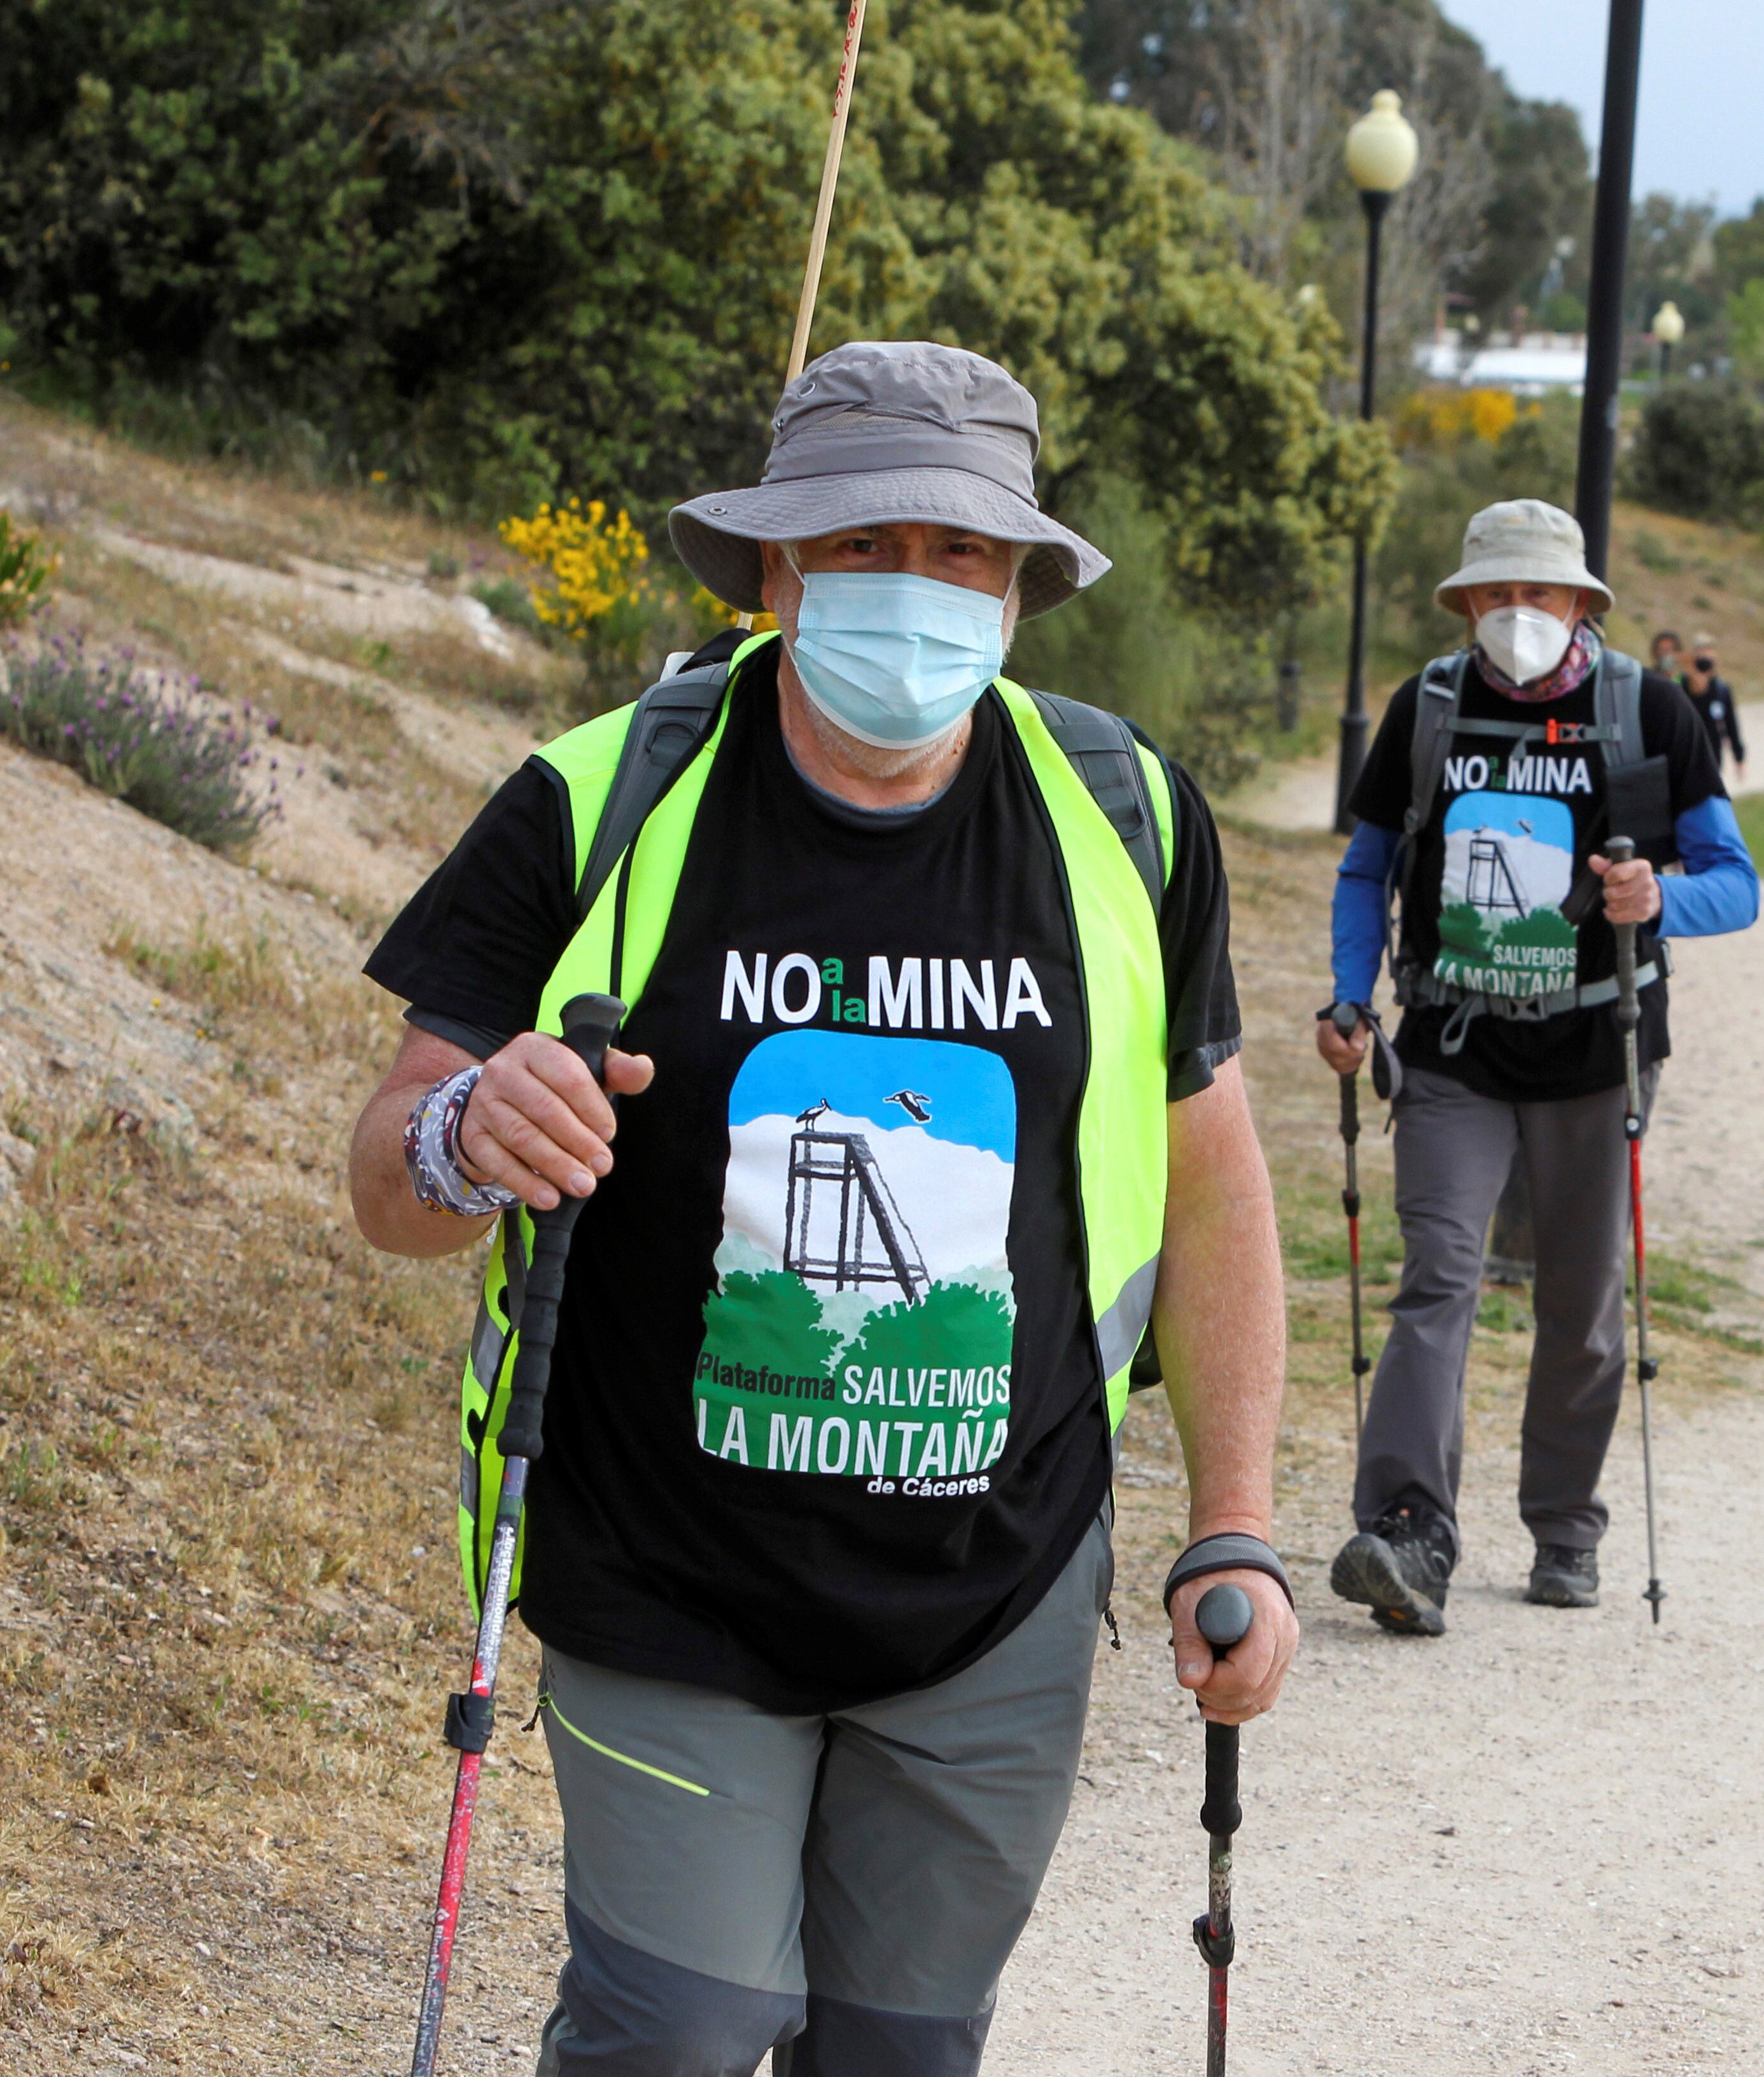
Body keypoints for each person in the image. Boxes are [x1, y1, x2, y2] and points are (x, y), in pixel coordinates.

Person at [348, 342, 1297, 2074]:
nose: (917, 592)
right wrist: (468, 1135)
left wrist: (1230, 1521)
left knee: (901, 2058)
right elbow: (390, 1173)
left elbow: (1214, 1184)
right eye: (868, 547)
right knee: (676, 2036)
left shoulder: (1125, 816)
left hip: (991, 1599)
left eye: (966, 557)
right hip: (665, 1581)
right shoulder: (596, 802)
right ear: (782, 568)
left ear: (1019, 591)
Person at [1320, 498, 1758, 1630]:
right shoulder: (1429, 709)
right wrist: (1348, 995)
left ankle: (1565, 1524)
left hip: (1595, 1046)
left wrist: (1661, 896)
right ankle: (1410, 1531)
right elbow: (1369, 869)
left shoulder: (1647, 713)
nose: (1518, 615)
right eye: (1496, 595)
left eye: (1542, 594)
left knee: (1582, 1298)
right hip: (1455, 1044)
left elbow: (1734, 879)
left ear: (1581, 605)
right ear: (1467, 603)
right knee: (1438, 1277)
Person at [1684, 633, 1747, 781]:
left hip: (1712, 750)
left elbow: (1731, 724)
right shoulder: (1683, 685)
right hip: (1688, 750)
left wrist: (1739, 758)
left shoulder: (1721, 689)